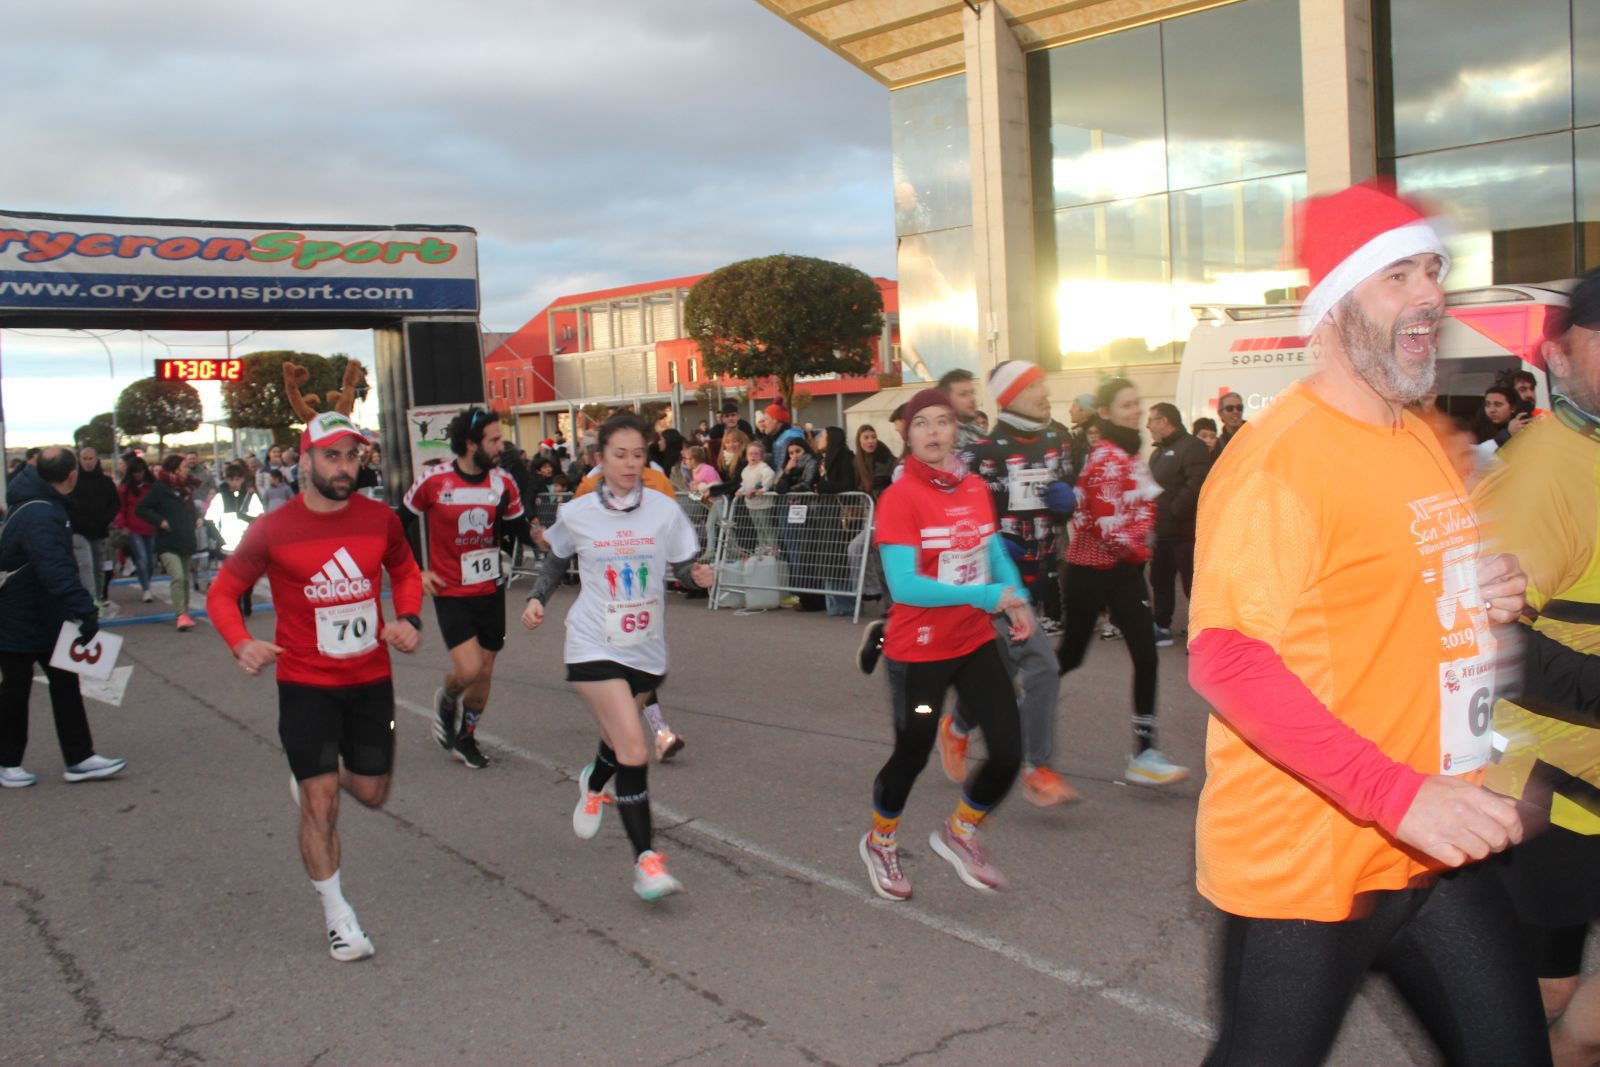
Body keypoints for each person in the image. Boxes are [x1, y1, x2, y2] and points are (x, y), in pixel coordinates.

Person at [1187, 180, 1547, 1066]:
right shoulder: (1277, 464)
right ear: (1336, 303)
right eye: (1398, 275)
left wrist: (1483, 589)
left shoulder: (1416, 435)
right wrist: (1397, 795)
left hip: (1432, 843)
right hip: (1310, 862)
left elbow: (1392, 585)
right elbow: (1226, 657)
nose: (1430, 293)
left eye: (1434, 270)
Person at [206, 412, 423, 961]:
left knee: (372, 793)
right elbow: (222, 593)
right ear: (305, 462)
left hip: (371, 680)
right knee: (320, 805)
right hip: (305, 683)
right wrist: (240, 642)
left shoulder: (380, 520)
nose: (345, 467)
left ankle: (319, 774)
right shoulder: (272, 529)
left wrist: (409, 618)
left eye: (352, 456)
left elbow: (405, 571)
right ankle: (338, 918)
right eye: (332, 456)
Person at [1476, 266, 1600, 1067]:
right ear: (1557, 357)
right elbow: (1484, 640)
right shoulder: (1544, 472)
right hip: (1548, 794)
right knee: (1539, 1002)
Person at [520, 412, 713, 900]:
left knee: (615, 737)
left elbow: (682, 568)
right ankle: (646, 861)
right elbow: (557, 559)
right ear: (599, 459)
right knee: (634, 747)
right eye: (619, 455)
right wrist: (538, 598)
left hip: (645, 647)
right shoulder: (579, 512)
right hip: (592, 643)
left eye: (638, 455)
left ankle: (594, 783)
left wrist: (697, 577)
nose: (630, 464)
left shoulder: (664, 509)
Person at [860, 388, 1028, 900]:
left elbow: (993, 553)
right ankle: (880, 842)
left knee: (1008, 751)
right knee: (913, 752)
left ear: (957, 429)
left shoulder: (973, 487)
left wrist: (1016, 597)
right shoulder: (900, 498)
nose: (933, 432)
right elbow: (906, 586)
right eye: (922, 424)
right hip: (919, 652)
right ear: (907, 435)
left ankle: (961, 831)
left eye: (943, 421)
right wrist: (987, 596)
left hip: (973, 642)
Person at [928, 360, 1080, 806]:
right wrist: (991, 547)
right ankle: (1037, 768)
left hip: (1039, 575)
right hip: (995, 587)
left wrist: (1067, 502)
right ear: (1011, 395)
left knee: (1006, 667)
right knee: (1041, 667)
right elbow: (955, 516)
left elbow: (1065, 497)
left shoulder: (1058, 441)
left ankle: (957, 727)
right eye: (1035, 387)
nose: (1045, 393)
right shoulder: (979, 454)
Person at [1056, 377, 1186, 786]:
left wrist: (1139, 539)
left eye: (1137, 403)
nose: (1135, 410)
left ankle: (1144, 754)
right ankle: (1009, 703)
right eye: (1126, 404)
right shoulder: (1106, 459)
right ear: (1106, 412)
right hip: (1090, 571)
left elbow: (1145, 509)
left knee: (1146, 655)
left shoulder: (1131, 454)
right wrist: (1141, 546)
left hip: (1123, 571)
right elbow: (1110, 529)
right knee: (1070, 657)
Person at [403, 407, 533, 770]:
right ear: (471, 443)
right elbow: (398, 524)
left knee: (486, 669)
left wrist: (543, 537)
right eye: (494, 440)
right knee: (470, 668)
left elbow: (519, 529)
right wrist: (415, 571)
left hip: (490, 590)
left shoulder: (503, 482)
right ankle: (448, 698)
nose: (501, 446)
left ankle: (466, 737)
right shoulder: (434, 480)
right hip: (450, 591)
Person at [0, 448, 126, 788]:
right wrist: (85, 609)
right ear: (72, 474)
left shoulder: (35, 501)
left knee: (63, 683)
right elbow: (55, 567)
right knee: (16, 690)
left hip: (39, 612)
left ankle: (79, 757)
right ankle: (8, 762)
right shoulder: (42, 512)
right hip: (22, 614)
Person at [1146, 402, 1210, 647]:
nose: (1148, 426)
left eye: (1151, 420)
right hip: (1161, 532)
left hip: (1185, 533)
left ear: (1164, 421)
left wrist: (1176, 510)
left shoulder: (1192, 447)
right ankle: (1161, 626)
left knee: (1192, 585)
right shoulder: (1158, 452)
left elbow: (1197, 482)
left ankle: (1202, 633)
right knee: (1160, 582)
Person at [137, 453, 202, 631]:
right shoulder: (159, 488)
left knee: (185, 579)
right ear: (174, 470)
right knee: (178, 576)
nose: (187, 470)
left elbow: (190, 507)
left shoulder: (186, 487)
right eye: (184, 467)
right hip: (167, 541)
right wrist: (160, 521)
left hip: (186, 538)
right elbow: (142, 509)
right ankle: (180, 614)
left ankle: (185, 612)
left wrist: (197, 517)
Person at [205, 462, 264, 618]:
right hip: (228, 544)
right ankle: (236, 604)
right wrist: (219, 539)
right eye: (231, 479)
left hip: (248, 544)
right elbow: (210, 519)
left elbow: (260, 519)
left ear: (242, 479)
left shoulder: (250, 496)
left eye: (237, 479)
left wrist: (245, 518)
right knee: (233, 577)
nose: (234, 483)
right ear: (226, 480)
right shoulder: (220, 497)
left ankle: (247, 596)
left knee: (249, 576)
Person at [70, 446, 121, 616]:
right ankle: (90, 601)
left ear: (96, 459)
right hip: (79, 531)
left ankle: (98, 597)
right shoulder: (73, 481)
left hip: (100, 530)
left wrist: (105, 520)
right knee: (85, 565)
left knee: (99, 567)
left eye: (90, 458)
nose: (88, 462)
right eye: (84, 459)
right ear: (79, 460)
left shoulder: (105, 481)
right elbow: (67, 504)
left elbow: (115, 503)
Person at [116, 454, 158, 602]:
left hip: (151, 527)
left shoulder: (153, 486)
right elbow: (120, 508)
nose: (138, 474)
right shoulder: (125, 488)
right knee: (142, 559)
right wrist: (122, 525)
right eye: (135, 471)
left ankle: (146, 582)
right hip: (133, 528)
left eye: (140, 471)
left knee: (152, 561)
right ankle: (146, 589)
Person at [737, 441, 778, 551]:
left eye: (756, 454)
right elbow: (744, 483)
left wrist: (763, 488)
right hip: (751, 504)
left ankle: (772, 548)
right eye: (750, 454)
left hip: (763, 504)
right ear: (746, 456)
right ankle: (762, 548)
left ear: (761, 455)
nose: (753, 456)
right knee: (758, 527)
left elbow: (770, 475)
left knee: (766, 527)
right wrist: (740, 490)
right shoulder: (746, 469)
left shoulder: (763, 467)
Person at [938, 368, 984, 461]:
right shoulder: (938, 436)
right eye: (963, 394)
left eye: (972, 393)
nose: (973, 399)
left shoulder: (978, 432)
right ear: (947, 400)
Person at [1476, 383, 1530, 456]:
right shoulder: (1477, 430)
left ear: (1513, 407)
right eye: (1487, 405)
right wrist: (1507, 433)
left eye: (1498, 404)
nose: (1491, 410)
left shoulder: (1526, 428)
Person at [755, 403, 806, 470]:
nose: (764, 424)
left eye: (766, 419)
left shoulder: (789, 438)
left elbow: (783, 468)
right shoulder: (777, 437)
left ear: (775, 420)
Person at [853, 424, 896, 498]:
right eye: (866, 438)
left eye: (873, 437)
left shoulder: (885, 457)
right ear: (859, 441)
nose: (870, 441)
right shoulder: (856, 461)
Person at [1213, 391, 1246, 458]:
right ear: (1220, 413)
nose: (1235, 411)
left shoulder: (1256, 436)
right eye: (1229, 408)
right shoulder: (1217, 445)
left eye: (1239, 408)